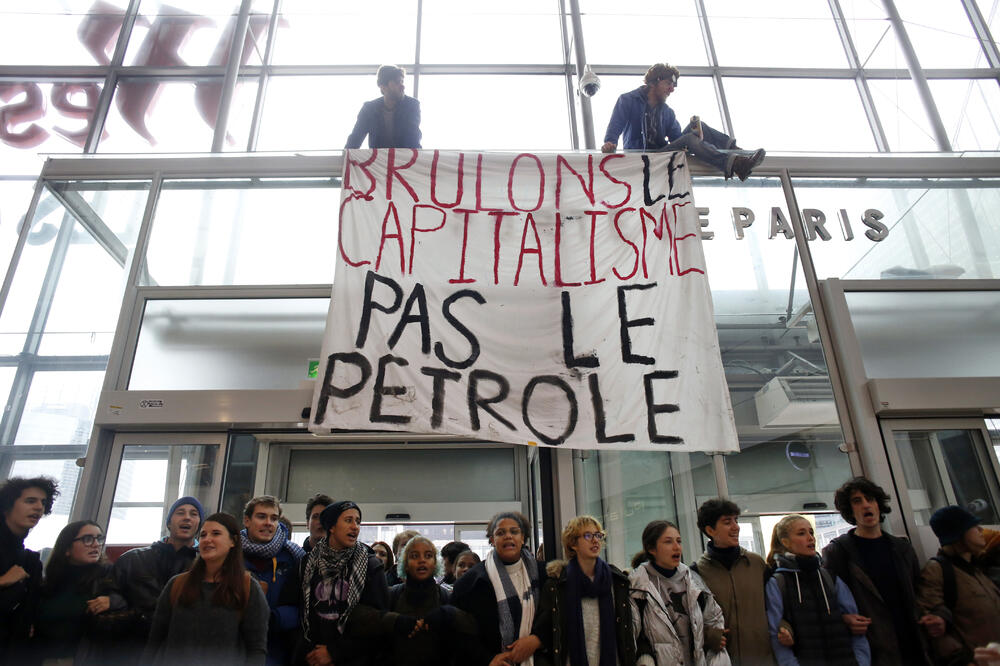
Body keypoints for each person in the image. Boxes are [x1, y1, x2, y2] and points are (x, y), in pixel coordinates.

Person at [822, 478, 938, 665]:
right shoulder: (839, 551)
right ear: (850, 510)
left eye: (870, 499)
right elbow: (829, 599)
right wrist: (844, 619)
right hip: (874, 645)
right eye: (857, 501)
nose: (866, 505)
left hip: (913, 641)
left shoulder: (902, 548)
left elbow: (920, 590)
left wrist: (936, 614)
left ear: (878, 505)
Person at [601, 63, 765, 181]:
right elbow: (615, 127)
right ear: (655, 81)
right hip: (643, 158)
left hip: (663, 154)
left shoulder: (667, 112)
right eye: (668, 84)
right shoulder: (628, 100)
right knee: (689, 138)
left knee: (702, 128)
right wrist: (610, 144)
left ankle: (739, 156)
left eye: (674, 86)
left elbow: (677, 139)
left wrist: (696, 138)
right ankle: (735, 164)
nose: (672, 89)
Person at [143, 512, 269, 665]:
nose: (207, 539)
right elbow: (155, 640)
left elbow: (256, 649)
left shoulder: (248, 587)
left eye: (216, 533)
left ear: (233, 541)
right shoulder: (177, 584)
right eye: (203, 535)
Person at [350, 535, 476, 665]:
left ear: (435, 564)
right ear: (405, 565)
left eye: (428, 556)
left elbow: (475, 627)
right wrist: (394, 620)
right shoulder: (391, 595)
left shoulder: (446, 597)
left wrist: (450, 614)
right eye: (415, 556)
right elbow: (355, 617)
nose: (422, 560)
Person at [531, 515, 638, 666]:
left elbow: (629, 632)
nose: (595, 540)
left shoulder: (616, 581)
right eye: (588, 535)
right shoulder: (557, 586)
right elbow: (547, 635)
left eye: (598, 535)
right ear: (573, 543)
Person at [765, 514, 870, 666]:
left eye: (811, 533)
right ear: (785, 542)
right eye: (801, 533)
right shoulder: (778, 583)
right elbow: (776, 635)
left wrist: (861, 661)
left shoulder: (830, 578)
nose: (810, 538)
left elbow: (857, 626)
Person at [296, 500, 389, 666]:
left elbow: (378, 624)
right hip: (311, 658)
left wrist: (334, 653)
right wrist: (313, 654)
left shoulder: (371, 566)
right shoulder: (306, 564)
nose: (355, 526)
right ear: (331, 526)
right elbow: (299, 614)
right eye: (348, 520)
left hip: (355, 659)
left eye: (358, 521)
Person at [629, 519, 730, 666]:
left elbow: (715, 620)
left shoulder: (694, 582)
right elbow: (631, 637)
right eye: (668, 542)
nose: (677, 547)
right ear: (651, 548)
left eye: (679, 541)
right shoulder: (637, 587)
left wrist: (710, 636)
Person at [452, 511, 545, 666]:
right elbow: (459, 632)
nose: (508, 536)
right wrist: (488, 660)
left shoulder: (544, 574)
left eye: (514, 531)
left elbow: (555, 618)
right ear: (492, 540)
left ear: (523, 538)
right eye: (501, 533)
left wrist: (538, 639)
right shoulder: (470, 582)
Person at [693, 499, 774, 666]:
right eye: (727, 522)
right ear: (710, 530)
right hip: (723, 660)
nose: (736, 527)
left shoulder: (757, 564)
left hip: (763, 659)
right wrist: (709, 636)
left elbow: (775, 607)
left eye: (736, 520)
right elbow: (690, 621)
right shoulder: (696, 573)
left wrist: (785, 627)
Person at [114, 495, 203, 644]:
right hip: (134, 645)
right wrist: (113, 600)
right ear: (169, 523)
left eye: (194, 514)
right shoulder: (133, 559)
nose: (187, 517)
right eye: (180, 512)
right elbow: (110, 591)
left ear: (199, 525)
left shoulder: (206, 566)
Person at [918, 505, 1000, 666]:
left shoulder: (977, 569)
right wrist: (961, 661)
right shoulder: (937, 571)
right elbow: (934, 628)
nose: (980, 530)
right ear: (957, 533)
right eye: (973, 526)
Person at [33, 520, 125, 663]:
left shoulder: (108, 577)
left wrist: (113, 602)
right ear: (67, 548)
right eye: (87, 539)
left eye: (99, 539)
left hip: (83, 659)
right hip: (43, 658)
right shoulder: (48, 582)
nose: (95, 544)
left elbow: (131, 603)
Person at [0, 476, 59, 661]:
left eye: (43, 502)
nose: (39, 507)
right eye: (30, 501)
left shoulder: (31, 561)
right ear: (8, 505)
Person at [242, 495, 305, 666]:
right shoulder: (231, 556)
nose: (268, 523)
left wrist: (274, 618)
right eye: (261, 517)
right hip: (237, 647)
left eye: (274, 518)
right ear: (247, 521)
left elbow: (306, 605)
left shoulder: (295, 558)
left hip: (279, 649)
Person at [345, 64, 422, 150]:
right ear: (383, 87)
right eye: (397, 82)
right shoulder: (369, 109)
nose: (402, 86)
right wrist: (345, 157)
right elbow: (355, 139)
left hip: (405, 159)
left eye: (402, 82)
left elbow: (413, 140)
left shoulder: (412, 105)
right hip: (379, 161)